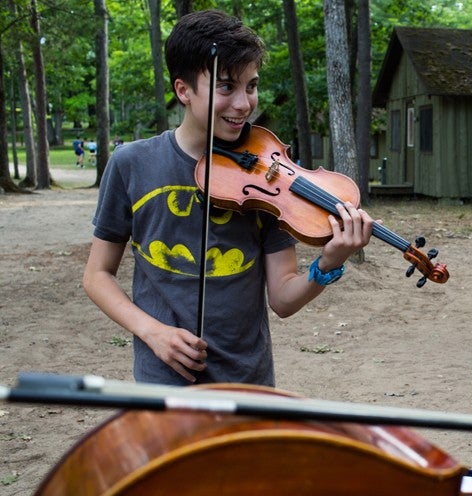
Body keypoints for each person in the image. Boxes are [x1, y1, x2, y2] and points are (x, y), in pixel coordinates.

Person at [83, 10, 374, 386]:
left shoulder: (267, 174)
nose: (244, 104)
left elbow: (283, 300)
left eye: (251, 86)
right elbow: (97, 275)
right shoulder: (132, 164)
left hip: (246, 381)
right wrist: (153, 332)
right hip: (162, 380)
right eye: (226, 87)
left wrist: (328, 263)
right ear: (183, 90)